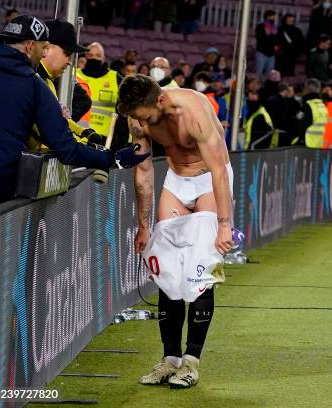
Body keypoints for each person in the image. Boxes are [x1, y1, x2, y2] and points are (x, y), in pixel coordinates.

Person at [117, 74, 234, 389]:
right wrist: (144, 226)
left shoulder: (193, 110)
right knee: (168, 274)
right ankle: (170, 359)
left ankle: (192, 361)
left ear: (159, 100)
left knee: (200, 274)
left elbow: (220, 169)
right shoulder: (137, 117)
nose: (139, 123)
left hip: (210, 179)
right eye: (134, 118)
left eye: (143, 116)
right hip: (176, 181)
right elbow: (143, 171)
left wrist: (225, 224)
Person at [0, 15, 115, 207]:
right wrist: (106, 157)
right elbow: (66, 148)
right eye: (43, 47)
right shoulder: (34, 85)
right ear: (30, 46)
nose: (44, 54)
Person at [30, 19, 101, 151]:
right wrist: (89, 146)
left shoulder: (47, 82)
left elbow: (58, 122)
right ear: (47, 47)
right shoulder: (33, 81)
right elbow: (52, 132)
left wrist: (84, 132)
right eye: (67, 54)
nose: (69, 62)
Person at [77, 42, 125, 144]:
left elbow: (123, 113)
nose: (94, 58)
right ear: (85, 57)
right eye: (90, 55)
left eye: (98, 56)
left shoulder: (116, 78)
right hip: (78, 136)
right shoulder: (75, 75)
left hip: (106, 139)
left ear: (103, 58)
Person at [255, 10, 277, 78]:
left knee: (270, 74)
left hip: (271, 54)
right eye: (272, 16)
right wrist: (267, 35)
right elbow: (260, 39)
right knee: (259, 73)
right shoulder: (260, 26)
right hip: (262, 52)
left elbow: (276, 39)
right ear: (267, 17)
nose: (274, 18)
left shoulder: (274, 28)